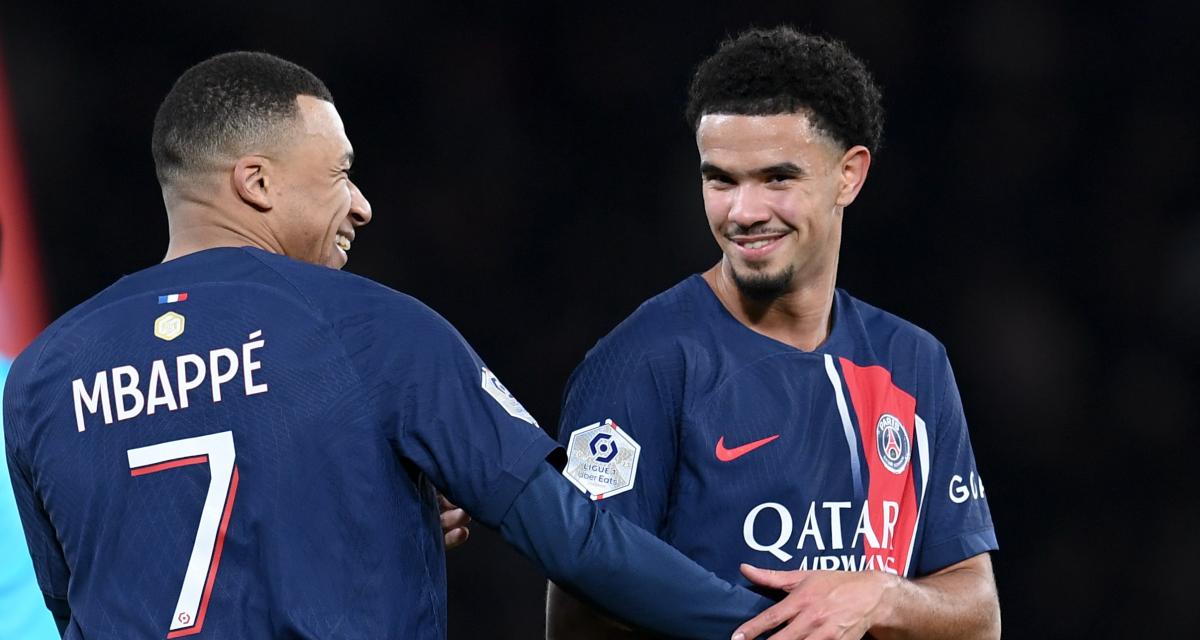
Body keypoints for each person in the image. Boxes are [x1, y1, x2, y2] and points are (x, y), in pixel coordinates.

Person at [1, 51, 802, 639]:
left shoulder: (40, 376)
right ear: (257, 183)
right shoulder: (370, 329)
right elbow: (577, 540)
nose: (362, 205)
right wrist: (778, 624)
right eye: (340, 173)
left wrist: (379, 520)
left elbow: (80, 604)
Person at [548, 27, 1001, 640]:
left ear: (849, 175)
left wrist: (881, 596)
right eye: (721, 180)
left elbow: (978, 614)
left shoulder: (913, 363)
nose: (744, 212)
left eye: (777, 178)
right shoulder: (640, 364)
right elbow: (577, 613)